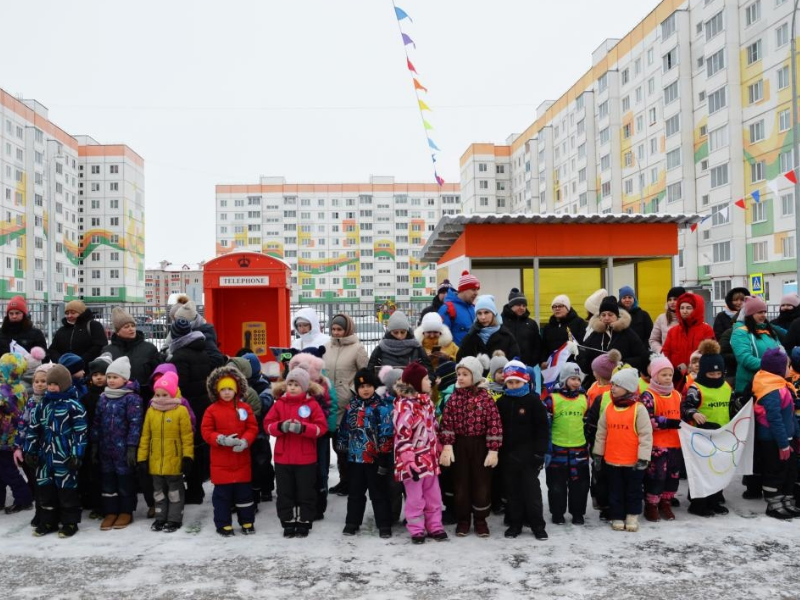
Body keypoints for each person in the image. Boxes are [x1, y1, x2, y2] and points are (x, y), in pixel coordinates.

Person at [439, 355, 503, 537]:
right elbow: (447, 423)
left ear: (474, 376)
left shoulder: (486, 398)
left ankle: (481, 519)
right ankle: (463, 519)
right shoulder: (454, 398)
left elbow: (494, 424)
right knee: (461, 484)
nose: (460, 377)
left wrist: (493, 449)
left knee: (481, 484)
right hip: (460, 445)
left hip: (480, 446)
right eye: (458, 374)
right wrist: (448, 446)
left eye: (465, 374)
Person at [23, 365, 88, 537]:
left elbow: (80, 432)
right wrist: (30, 450)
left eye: (55, 384)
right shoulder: (43, 405)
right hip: (44, 457)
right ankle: (48, 520)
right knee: (46, 490)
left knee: (67, 490)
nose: (51, 387)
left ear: (65, 384)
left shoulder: (73, 406)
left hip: (64, 457)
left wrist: (76, 454)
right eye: (49, 383)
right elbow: (33, 429)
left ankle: (70, 522)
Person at [264, 367, 328, 538]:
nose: (292, 387)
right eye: (290, 384)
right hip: (283, 458)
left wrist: (303, 428)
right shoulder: (279, 404)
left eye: (296, 384)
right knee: (285, 492)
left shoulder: (312, 405)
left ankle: (304, 521)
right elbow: (268, 424)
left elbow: (321, 428)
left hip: (305, 459)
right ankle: (288, 521)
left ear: (305, 387)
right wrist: (280, 426)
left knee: (305, 492)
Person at [592, 367, 653, 532]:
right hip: (612, 460)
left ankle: (632, 516)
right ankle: (617, 515)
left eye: (617, 385)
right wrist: (598, 454)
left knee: (633, 490)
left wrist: (643, 458)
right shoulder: (609, 408)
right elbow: (601, 433)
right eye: (612, 385)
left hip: (633, 461)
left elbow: (646, 436)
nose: (613, 388)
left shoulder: (638, 409)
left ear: (629, 387)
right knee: (615, 490)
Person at [393, 363, 448, 544]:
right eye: (425, 379)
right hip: (413, 462)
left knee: (434, 495)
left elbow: (434, 428)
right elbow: (402, 435)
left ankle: (435, 525)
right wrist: (408, 461)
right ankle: (417, 528)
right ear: (416, 382)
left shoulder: (428, 403)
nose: (429, 381)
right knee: (415, 498)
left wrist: (439, 447)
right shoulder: (405, 406)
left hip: (430, 459)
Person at [202, 365, 258, 536]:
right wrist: (221, 439)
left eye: (230, 389)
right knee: (222, 498)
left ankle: (247, 521)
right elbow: (206, 431)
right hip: (221, 462)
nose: (226, 392)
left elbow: (252, 427)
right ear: (217, 391)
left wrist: (245, 441)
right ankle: (223, 523)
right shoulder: (211, 410)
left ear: (237, 390)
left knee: (245, 497)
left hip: (241, 461)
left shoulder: (244, 408)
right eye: (223, 389)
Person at [337, 369, 394, 538]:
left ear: (374, 387)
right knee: (355, 493)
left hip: (374, 459)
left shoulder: (381, 407)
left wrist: (384, 456)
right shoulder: (351, 407)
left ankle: (384, 524)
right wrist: (342, 449)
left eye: (368, 385)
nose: (365, 390)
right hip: (355, 458)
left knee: (378, 493)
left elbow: (386, 432)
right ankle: (352, 522)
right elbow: (345, 430)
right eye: (361, 386)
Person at [496, 359, 549, 539]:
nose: (513, 385)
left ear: (525, 381)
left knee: (532, 492)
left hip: (529, 456)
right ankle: (515, 524)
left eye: (516, 381)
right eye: (509, 382)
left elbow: (543, 428)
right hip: (508, 456)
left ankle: (537, 525)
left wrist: (539, 452)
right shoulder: (502, 402)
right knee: (513, 493)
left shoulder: (533, 401)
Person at [680, 340, 733, 517]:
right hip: (701, 435)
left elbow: (730, 405)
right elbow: (685, 407)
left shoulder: (726, 386)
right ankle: (698, 503)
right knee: (702, 469)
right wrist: (693, 413)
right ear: (703, 372)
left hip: (721, 433)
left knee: (718, 467)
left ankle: (715, 499)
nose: (716, 376)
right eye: (711, 373)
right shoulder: (696, 388)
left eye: (719, 373)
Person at [137, 371, 193, 533]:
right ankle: (160, 518)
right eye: (158, 394)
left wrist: (187, 457)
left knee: (174, 492)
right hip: (155, 462)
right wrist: (142, 458)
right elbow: (145, 436)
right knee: (159, 493)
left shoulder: (180, 411)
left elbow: (187, 437)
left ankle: (174, 519)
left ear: (173, 393)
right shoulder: (151, 411)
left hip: (174, 461)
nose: (160, 398)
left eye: (165, 394)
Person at [93, 356, 143, 531]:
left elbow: (135, 424)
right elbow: (97, 422)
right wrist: (94, 443)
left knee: (124, 481)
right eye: (109, 377)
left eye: (115, 377)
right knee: (108, 481)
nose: (111, 380)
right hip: (106, 448)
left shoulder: (132, 399)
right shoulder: (103, 398)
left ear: (125, 379)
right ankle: (111, 511)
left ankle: (126, 511)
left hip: (123, 450)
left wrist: (132, 446)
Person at [167, 318, 213, 505]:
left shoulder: (179, 355)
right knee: (199, 447)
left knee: (190, 447)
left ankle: (194, 491)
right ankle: (198, 487)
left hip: (189, 406)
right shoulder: (202, 350)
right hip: (204, 403)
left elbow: (182, 385)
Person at [287, 352, 337, 520]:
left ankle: (319, 504)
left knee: (319, 469)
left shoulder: (322, 385)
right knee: (301, 470)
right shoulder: (291, 389)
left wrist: (325, 429)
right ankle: (301, 501)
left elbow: (330, 406)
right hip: (297, 436)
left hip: (318, 435)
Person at [751, 348, 800, 519]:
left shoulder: (781, 385)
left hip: (787, 437)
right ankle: (774, 504)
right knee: (776, 471)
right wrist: (783, 443)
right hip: (774, 440)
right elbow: (775, 419)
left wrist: (796, 436)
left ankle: (786, 500)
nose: (790, 368)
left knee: (789, 470)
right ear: (779, 369)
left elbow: (790, 414)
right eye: (787, 365)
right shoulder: (771, 389)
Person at [324, 313, 368, 497]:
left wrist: (351, 391)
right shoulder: (327, 347)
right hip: (330, 404)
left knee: (347, 446)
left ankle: (352, 483)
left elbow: (364, 374)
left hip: (348, 405)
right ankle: (343, 481)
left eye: (339, 329)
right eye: (333, 329)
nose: (336, 333)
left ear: (347, 329)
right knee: (337, 446)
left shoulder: (357, 348)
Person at [544, 362, 590, 527]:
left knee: (580, 485)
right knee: (556, 485)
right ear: (564, 379)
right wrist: (547, 449)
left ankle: (578, 513)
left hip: (579, 450)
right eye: (572, 378)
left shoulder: (585, 399)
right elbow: (546, 426)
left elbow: (587, 423)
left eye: (579, 379)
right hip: (558, 450)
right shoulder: (552, 399)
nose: (576, 382)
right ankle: (557, 513)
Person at [640, 357, 682, 522]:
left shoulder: (677, 395)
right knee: (656, 477)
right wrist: (668, 422)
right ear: (654, 375)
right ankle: (651, 505)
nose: (667, 378)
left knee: (672, 477)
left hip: (675, 444)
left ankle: (666, 503)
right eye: (663, 374)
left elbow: (682, 416)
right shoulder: (648, 396)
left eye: (670, 374)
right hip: (657, 445)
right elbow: (646, 419)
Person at [578, 296, 648, 385]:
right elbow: (584, 357)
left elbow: (641, 357)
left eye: (610, 315)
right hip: (598, 381)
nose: (606, 318)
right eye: (603, 315)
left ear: (617, 316)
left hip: (622, 382)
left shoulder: (628, 333)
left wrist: (621, 363)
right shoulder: (595, 334)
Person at [101, 307, 161, 400]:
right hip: (116, 399)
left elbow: (157, 373)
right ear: (117, 332)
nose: (131, 329)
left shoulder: (149, 348)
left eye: (133, 325)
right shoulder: (108, 351)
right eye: (126, 327)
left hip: (144, 397)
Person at [0, 352, 33, 514]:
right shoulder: (21, 387)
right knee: (4, 468)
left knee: (9, 470)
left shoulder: (4, 390)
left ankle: (24, 498)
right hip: (15, 435)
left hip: (5, 437)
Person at [731, 296, 785, 394]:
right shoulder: (740, 332)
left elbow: (780, 351)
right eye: (760, 312)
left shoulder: (768, 331)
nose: (763, 315)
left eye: (765, 312)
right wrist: (773, 365)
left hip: (771, 384)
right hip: (750, 387)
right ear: (750, 315)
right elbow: (745, 358)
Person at [80, 354, 111, 519]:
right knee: (94, 474)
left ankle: (108, 505)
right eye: (95, 375)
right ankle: (96, 505)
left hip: (111, 439)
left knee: (108, 475)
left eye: (102, 374)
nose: (99, 378)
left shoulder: (112, 394)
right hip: (93, 440)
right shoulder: (87, 397)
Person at [662, 292, 715, 386]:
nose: (684, 311)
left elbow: (711, 355)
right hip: (676, 380)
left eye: (688, 308)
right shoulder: (673, 331)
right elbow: (666, 353)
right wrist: (672, 370)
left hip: (700, 379)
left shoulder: (706, 330)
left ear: (696, 309)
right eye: (682, 308)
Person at [164, 296, 225, 368]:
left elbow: (217, 360)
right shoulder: (192, 334)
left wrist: (197, 368)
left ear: (188, 323)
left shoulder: (204, 335)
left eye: (179, 321)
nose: (177, 324)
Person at [456, 295, 521, 363]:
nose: (483, 317)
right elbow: (460, 360)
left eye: (486, 312)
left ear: (493, 313)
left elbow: (514, 363)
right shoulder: (472, 336)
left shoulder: (507, 336)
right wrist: (469, 335)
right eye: (479, 313)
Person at [367, 311, 432, 374]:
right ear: (390, 332)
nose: (399, 336)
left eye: (403, 332)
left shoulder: (417, 349)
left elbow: (429, 371)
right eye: (395, 332)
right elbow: (370, 373)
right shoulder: (380, 349)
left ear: (407, 331)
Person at [47, 300, 108, 367]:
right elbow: (52, 350)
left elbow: (99, 346)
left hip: (89, 370)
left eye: (73, 313)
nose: (69, 316)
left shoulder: (93, 326)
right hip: (65, 369)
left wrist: (80, 361)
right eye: (67, 313)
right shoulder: (62, 330)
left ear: (81, 313)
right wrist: (61, 361)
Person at [539, 295, 586, 365]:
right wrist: (542, 361)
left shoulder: (579, 323)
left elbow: (582, 344)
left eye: (560, 306)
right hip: (553, 367)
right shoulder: (548, 327)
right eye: (554, 307)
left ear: (568, 308)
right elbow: (544, 347)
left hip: (572, 365)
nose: (557, 309)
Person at [501, 288, 542, 368]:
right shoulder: (501, 322)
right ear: (511, 306)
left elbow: (537, 345)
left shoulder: (531, 324)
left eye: (524, 305)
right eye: (518, 305)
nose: (522, 308)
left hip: (526, 367)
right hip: (505, 367)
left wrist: (532, 362)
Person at [438, 270, 480, 346]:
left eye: (477, 290)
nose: (476, 293)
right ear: (463, 289)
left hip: (474, 356)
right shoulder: (447, 309)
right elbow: (440, 340)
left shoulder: (474, 309)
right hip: (455, 357)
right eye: (473, 289)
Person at [649, 287, 685, 354]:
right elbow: (653, 340)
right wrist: (661, 351)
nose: (672, 302)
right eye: (669, 299)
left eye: (675, 299)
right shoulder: (661, 318)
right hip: (666, 359)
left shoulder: (688, 318)